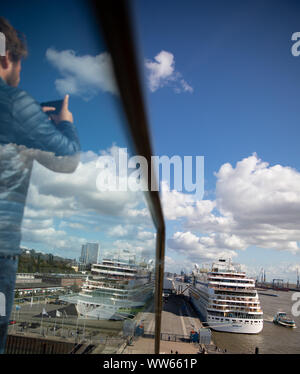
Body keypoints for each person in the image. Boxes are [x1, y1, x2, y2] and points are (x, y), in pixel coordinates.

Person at [0, 17, 80, 353]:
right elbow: (67, 160)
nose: (20, 74)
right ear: (7, 58)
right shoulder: (14, 103)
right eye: (20, 63)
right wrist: (64, 124)